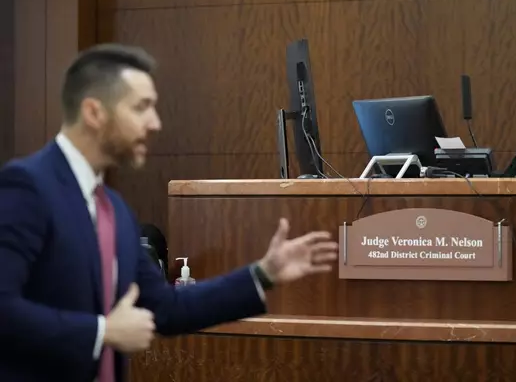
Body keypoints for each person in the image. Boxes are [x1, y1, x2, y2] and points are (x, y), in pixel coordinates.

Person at [0, 44, 338, 382]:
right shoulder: (27, 188)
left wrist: (263, 274)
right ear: (94, 112)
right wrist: (101, 333)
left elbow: (165, 308)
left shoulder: (114, 209)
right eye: (141, 107)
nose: (155, 123)